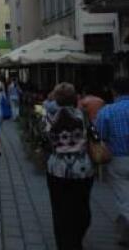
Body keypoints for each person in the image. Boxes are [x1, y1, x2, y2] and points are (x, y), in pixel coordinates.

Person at [42, 83, 94, 250]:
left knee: (60, 209)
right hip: (82, 168)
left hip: (58, 168)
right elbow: (93, 135)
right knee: (82, 206)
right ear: (75, 97)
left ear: (56, 99)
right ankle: (77, 237)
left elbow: (45, 139)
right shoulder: (83, 116)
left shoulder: (49, 117)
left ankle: (64, 243)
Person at [96, 78, 129, 246]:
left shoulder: (108, 111)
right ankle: (123, 231)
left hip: (119, 159)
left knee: (123, 196)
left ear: (114, 91)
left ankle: (125, 230)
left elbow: (100, 134)